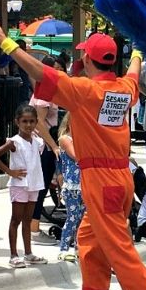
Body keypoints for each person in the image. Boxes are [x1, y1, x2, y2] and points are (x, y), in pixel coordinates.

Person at [0, 17, 146, 290]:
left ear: (90, 60)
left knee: (120, 252)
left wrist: (6, 43)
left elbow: (41, 73)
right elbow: (135, 68)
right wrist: (140, 43)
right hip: (118, 178)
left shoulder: (85, 91)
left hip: (101, 180)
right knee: (88, 238)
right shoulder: (124, 88)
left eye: (83, 55)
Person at [0, 104, 47, 268]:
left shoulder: (37, 142)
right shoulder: (14, 142)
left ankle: (28, 253)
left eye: (31, 121)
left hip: (34, 184)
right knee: (16, 219)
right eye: (24, 121)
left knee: (28, 220)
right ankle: (14, 254)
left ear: (36, 122)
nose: (28, 125)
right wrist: (10, 172)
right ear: (17, 122)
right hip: (19, 185)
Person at [30, 55, 63, 239]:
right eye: (56, 68)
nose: (59, 72)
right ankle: (34, 229)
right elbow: (39, 123)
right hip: (43, 146)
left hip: (43, 145)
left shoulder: (47, 89)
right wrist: (54, 146)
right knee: (40, 187)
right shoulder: (45, 92)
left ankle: (33, 227)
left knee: (39, 187)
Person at [56, 112, 85, 262]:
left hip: (84, 185)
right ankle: (64, 248)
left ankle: (79, 248)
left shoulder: (83, 139)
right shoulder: (65, 139)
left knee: (83, 219)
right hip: (72, 187)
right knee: (72, 218)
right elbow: (77, 155)